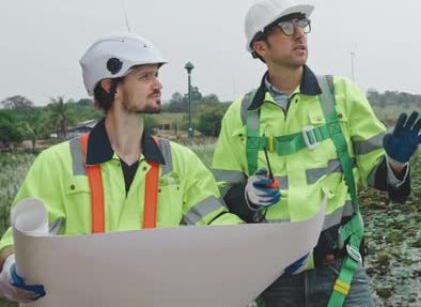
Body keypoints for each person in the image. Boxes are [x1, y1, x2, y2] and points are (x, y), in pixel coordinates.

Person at [212, 0, 421, 307]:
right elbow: (221, 198)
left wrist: (396, 164)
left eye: (301, 24)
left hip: (339, 268)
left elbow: (380, 174)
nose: (300, 33)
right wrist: (246, 197)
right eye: (287, 27)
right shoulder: (240, 114)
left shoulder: (340, 95)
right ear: (261, 47)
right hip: (274, 278)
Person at [0, 32, 243, 303]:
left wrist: (265, 247)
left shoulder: (181, 161)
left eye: (156, 74)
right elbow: (22, 241)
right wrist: (12, 268)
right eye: (145, 76)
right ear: (109, 86)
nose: (158, 84)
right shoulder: (57, 163)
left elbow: (216, 223)